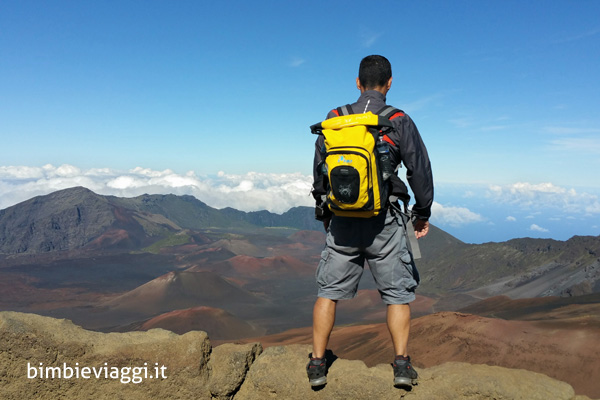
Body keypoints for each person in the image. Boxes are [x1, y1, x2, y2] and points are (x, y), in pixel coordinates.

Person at [307, 55, 433, 389]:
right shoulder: (397, 120)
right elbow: (419, 170)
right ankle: (402, 366)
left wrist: (326, 212)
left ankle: (317, 364)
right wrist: (423, 213)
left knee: (328, 292)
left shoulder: (335, 119)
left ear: (358, 83)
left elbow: (321, 170)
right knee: (397, 295)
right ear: (389, 83)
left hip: (343, 221)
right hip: (386, 222)